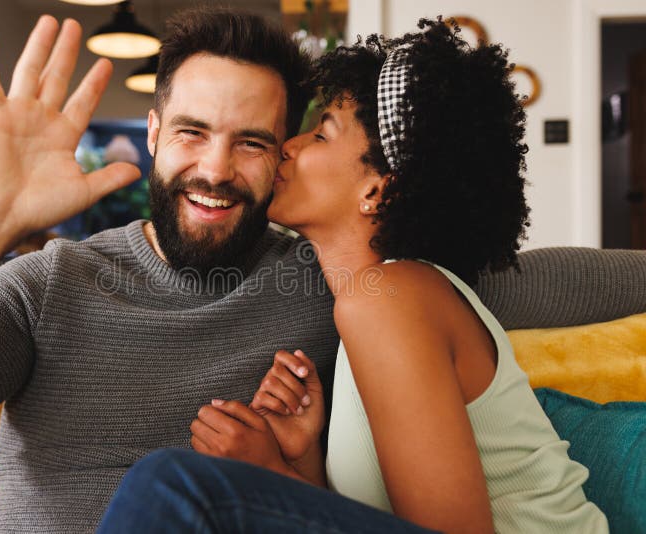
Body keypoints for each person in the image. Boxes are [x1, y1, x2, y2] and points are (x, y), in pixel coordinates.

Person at [97, 18, 609, 534]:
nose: (289, 146)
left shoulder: (390, 297)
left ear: (377, 193)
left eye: (321, 134)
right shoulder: (380, 298)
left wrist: (269, 473)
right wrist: (300, 465)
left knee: (170, 484)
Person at [0, 9, 343, 533]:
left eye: (251, 142)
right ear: (153, 133)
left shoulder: (321, 287)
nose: (216, 170)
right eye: (192, 132)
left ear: (284, 153)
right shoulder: (48, 286)